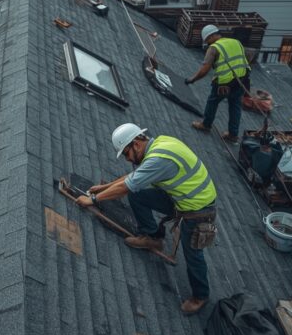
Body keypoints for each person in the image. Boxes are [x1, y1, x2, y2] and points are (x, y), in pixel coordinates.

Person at [76, 124, 217, 314]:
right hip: (181, 197)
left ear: (135, 143)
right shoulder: (158, 144)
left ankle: (200, 296)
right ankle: (152, 238)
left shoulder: (158, 159)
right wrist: (105, 187)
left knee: (192, 253)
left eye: (126, 153)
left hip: (198, 208)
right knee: (138, 195)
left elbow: (127, 185)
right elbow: (135, 177)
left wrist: (92, 199)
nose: (127, 159)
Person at [186, 25, 250, 143]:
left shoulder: (214, 48)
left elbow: (205, 70)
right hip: (242, 80)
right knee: (235, 106)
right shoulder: (236, 42)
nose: (207, 44)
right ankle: (233, 134)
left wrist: (192, 79)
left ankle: (206, 125)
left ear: (211, 36)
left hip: (224, 84)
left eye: (207, 40)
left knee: (212, 102)